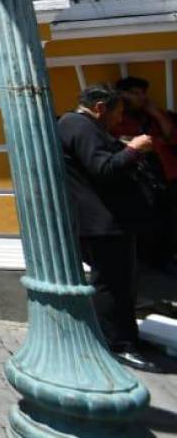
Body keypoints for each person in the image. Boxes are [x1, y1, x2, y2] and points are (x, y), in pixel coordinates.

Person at [58, 85, 155, 371]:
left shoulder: (79, 126)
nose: (118, 119)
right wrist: (134, 149)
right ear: (100, 107)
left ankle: (126, 337)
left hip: (106, 223)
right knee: (112, 286)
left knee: (121, 284)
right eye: (118, 113)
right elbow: (103, 169)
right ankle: (117, 344)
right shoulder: (79, 125)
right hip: (101, 224)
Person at [113, 76, 177, 270]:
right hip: (140, 179)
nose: (140, 97)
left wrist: (156, 113)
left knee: (172, 219)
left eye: (143, 93)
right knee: (150, 222)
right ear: (122, 95)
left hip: (168, 174)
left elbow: (173, 137)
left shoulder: (154, 116)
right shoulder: (117, 118)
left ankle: (169, 258)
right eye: (135, 93)